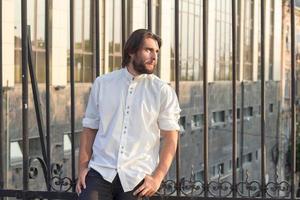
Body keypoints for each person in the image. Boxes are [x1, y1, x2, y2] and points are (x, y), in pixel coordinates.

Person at [76, 29, 181, 200]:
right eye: (148, 50)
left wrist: (157, 178)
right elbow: (89, 129)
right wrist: (82, 168)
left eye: (156, 52)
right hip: (101, 172)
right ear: (131, 51)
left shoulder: (162, 91)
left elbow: (171, 138)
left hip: (138, 178)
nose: (154, 56)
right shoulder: (103, 84)